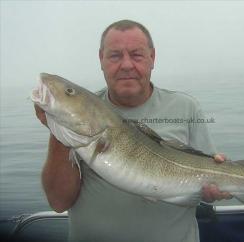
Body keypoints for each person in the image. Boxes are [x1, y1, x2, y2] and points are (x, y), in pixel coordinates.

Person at [35, 20, 231, 242]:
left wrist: (215, 189)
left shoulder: (186, 108)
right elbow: (58, 202)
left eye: (136, 55)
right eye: (115, 56)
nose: (126, 65)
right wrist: (58, 129)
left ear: (152, 58)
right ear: (101, 60)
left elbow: (207, 183)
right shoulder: (82, 121)